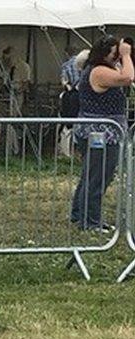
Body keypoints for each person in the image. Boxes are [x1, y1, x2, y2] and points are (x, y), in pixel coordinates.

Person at [70, 36, 133, 232]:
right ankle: (90, 221)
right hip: (101, 133)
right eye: (115, 53)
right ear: (106, 53)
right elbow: (128, 77)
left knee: (90, 174)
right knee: (99, 176)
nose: (117, 56)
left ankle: (79, 213)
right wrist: (126, 55)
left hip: (96, 131)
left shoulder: (97, 69)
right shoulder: (99, 71)